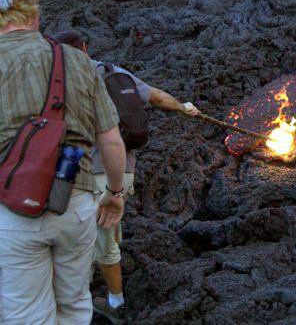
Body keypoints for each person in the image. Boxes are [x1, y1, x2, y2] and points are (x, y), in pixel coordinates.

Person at [0, 0, 126, 324]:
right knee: (73, 304)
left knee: (25, 313)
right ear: (35, 12)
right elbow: (111, 140)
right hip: (76, 203)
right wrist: (115, 193)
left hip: (12, 210)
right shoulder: (78, 61)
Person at [53, 30, 201, 324]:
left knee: (99, 240)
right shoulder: (113, 72)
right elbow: (157, 97)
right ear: (84, 47)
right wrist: (183, 107)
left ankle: (115, 303)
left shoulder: (60, 82)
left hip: (85, 175)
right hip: (123, 171)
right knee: (105, 233)